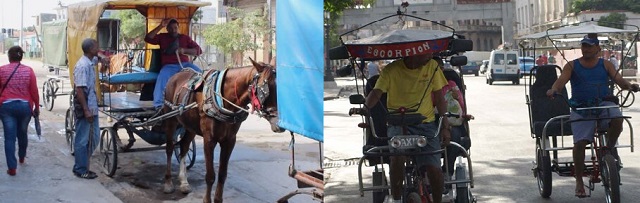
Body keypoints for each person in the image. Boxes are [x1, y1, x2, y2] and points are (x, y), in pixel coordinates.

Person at [546, 35, 640, 198]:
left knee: (618, 118)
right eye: (584, 46)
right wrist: (554, 90)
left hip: (603, 103)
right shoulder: (572, 65)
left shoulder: (606, 64)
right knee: (580, 143)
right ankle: (579, 182)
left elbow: (619, 80)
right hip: (581, 107)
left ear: (598, 49)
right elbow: (560, 81)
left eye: (589, 46)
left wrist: (630, 86)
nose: (586, 49)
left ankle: (608, 149)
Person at [365, 53, 451, 203]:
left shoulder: (432, 66)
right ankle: (397, 199)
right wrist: (365, 107)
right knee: (397, 159)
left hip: (426, 125)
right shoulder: (391, 70)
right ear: (413, 54)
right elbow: (377, 93)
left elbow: (439, 98)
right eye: (425, 54)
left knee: (434, 167)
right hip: (398, 124)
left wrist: (445, 127)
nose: (429, 56)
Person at [145, 18, 203, 110]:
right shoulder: (162, 37)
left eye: (175, 28)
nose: (173, 30)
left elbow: (199, 51)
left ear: (178, 27)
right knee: (162, 78)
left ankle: (205, 99)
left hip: (185, 65)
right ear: (167, 29)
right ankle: (159, 105)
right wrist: (161, 26)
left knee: (202, 75)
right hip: (169, 66)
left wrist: (184, 50)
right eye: (171, 28)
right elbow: (148, 38)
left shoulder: (185, 38)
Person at [0, 46, 39, 176]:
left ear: (9, 57)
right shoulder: (29, 71)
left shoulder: (2, 70)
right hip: (24, 107)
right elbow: (34, 91)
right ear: (21, 57)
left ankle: (12, 168)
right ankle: (22, 157)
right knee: (22, 133)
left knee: (9, 138)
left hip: (6, 107)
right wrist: (37, 107)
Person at [72, 38, 102, 179]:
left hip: (92, 106)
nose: (98, 48)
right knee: (82, 139)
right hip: (86, 107)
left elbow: (99, 60)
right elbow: (79, 90)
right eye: (96, 46)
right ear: (90, 49)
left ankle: (82, 162)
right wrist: (86, 110)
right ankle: (80, 168)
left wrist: (103, 58)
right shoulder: (83, 66)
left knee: (95, 137)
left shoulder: (90, 62)